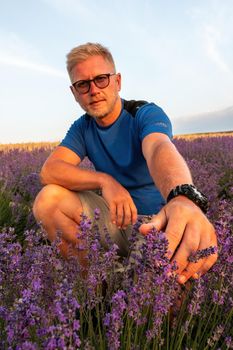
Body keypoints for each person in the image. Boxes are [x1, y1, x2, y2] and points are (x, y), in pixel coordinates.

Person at [33, 42, 217, 284]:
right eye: (83, 84)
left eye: (101, 79)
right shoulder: (82, 127)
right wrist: (105, 181)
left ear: (117, 82)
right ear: (74, 92)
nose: (93, 90)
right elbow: (50, 170)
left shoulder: (144, 113)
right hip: (114, 220)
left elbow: (159, 148)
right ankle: (100, 286)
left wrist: (182, 196)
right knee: (49, 200)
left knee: (165, 304)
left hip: (157, 222)